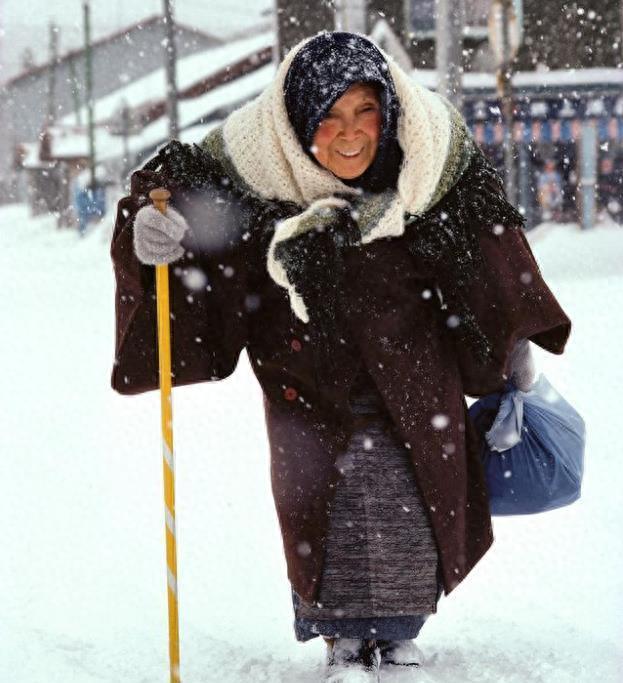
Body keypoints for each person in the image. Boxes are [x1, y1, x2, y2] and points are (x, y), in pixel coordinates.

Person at [110, 32, 571, 682]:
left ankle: (399, 636)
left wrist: (513, 336)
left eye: (363, 112)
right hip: (306, 383)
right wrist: (149, 232)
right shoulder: (255, 157)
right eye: (326, 119)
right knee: (323, 511)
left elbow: (486, 235)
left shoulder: (428, 154)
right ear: (297, 124)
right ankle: (343, 640)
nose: (348, 135)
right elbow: (175, 183)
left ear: (388, 109)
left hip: (413, 382)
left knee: (411, 507)